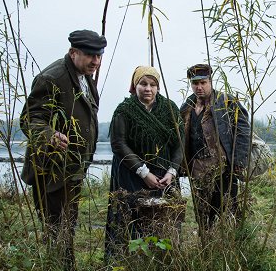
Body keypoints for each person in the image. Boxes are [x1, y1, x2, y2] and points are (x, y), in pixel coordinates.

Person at [20, 29, 106, 271]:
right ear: (73, 52)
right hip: (52, 170)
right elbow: (30, 119)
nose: (95, 62)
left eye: (98, 56)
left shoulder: (83, 75)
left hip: (73, 167)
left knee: (68, 222)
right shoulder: (53, 77)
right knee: (56, 225)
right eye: (90, 56)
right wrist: (50, 136)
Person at [104, 66, 184, 256]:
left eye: (152, 85)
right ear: (134, 86)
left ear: (157, 87)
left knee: (164, 217)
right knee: (128, 217)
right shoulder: (124, 110)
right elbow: (118, 143)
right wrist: (143, 171)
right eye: (143, 84)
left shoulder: (170, 109)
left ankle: (163, 261)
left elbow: (179, 143)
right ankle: (125, 263)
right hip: (130, 174)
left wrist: (172, 171)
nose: (148, 89)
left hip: (164, 176)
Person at [180, 63, 251, 236]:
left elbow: (243, 131)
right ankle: (206, 244)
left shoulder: (226, 102)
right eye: (195, 83)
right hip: (196, 168)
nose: (199, 87)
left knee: (227, 208)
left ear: (210, 81)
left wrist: (238, 161)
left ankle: (230, 246)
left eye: (203, 82)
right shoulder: (187, 105)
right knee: (202, 211)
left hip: (223, 166)